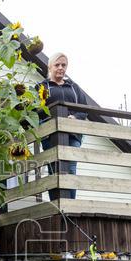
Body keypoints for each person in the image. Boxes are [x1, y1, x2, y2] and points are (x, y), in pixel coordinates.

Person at [38, 52, 88, 200]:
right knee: (55, 170)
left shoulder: (73, 87)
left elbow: (84, 109)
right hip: (50, 135)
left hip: (72, 134)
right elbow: (35, 111)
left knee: (70, 170)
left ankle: (70, 206)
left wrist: (74, 117)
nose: (60, 68)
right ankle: (57, 206)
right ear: (50, 67)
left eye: (63, 65)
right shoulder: (42, 87)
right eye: (57, 65)